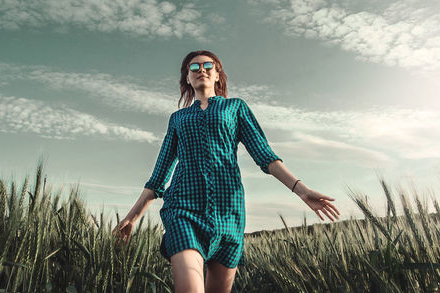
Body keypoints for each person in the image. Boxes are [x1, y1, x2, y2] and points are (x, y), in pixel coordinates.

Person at [112, 50, 340, 293]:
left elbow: (265, 156)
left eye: (208, 65)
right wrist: (132, 217)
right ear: (187, 79)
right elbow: (158, 177)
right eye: (194, 67)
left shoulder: (235, 108)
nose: (202, 70)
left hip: (228, 214)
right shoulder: (177, 119)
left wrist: (302, 190)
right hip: (183, 210)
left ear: (218, 75)